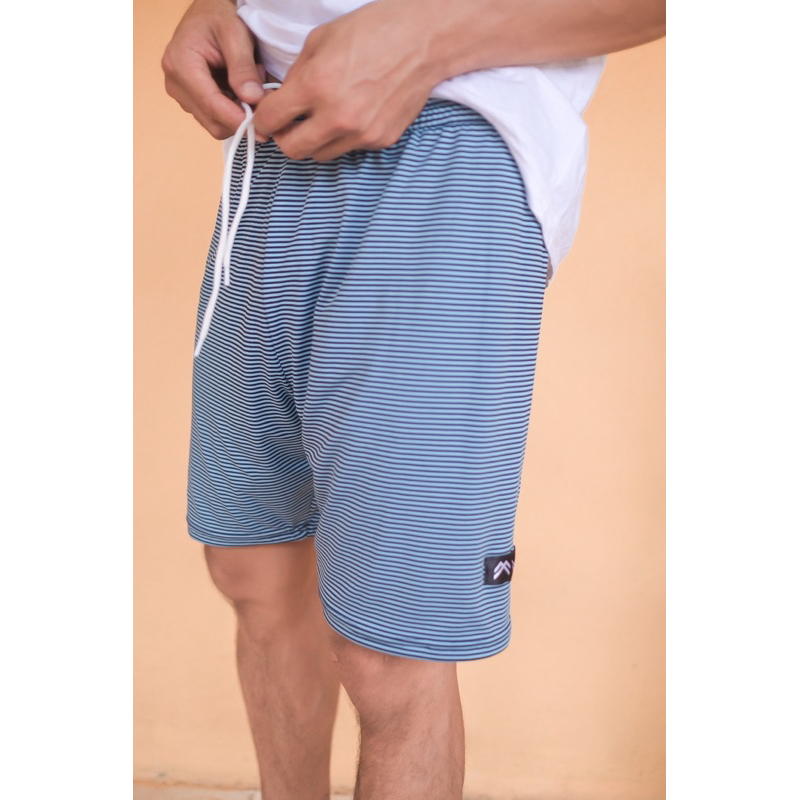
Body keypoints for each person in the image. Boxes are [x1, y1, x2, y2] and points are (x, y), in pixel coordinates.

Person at [162, 1, 665, 797]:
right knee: (253, 568)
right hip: (266, 152)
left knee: (391, 649)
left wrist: (424, 38)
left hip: (451, 140)